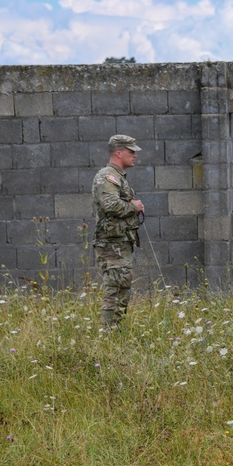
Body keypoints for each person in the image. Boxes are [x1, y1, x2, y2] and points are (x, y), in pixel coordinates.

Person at [92, 134, 145, 330]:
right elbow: (110, 204)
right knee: (115, 288)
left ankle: (114, 330)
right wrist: (134, 206)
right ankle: (108, 333)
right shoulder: (108, 176)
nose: (135, 155)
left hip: (120, 243)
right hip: (111, 244)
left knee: (122, 287)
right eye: (132, 151)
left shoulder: (118, 177)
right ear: (119, 153)